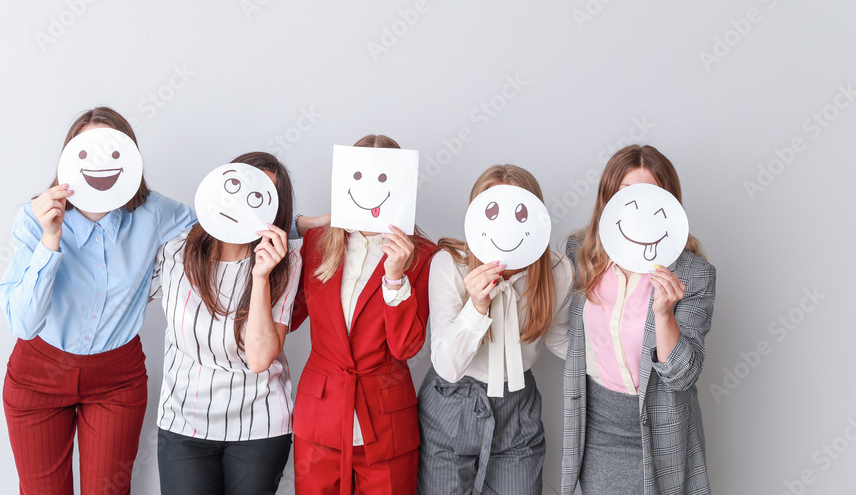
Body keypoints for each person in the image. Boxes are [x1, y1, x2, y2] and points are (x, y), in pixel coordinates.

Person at [0, 106, 197, 495]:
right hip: (38, 373)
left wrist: (292, 223)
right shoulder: (31, 219)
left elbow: (219, 227)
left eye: (113, 152)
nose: (100, 163)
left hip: (116, 378)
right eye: (86, 151)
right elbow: (23, 324)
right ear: (68, 159)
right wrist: (49, 238)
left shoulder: (154, 212)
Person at [562, 144, 716, 495]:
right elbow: (565, 333)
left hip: (662, 433)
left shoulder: (694, 273)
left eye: (651, 196)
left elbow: (683, 375)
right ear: (607, 200)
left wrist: (664, 314)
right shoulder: (580, 255)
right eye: (626, 195)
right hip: (596, 432)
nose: (639, 210)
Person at [290, 134, 437, 495]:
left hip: (387, 423)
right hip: (320, 418)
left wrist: (395, 276)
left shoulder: (423, 256)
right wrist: (299, 225)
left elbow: (405, 348)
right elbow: (288, 318)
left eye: (384, 177)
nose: (370, 186)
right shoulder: (317, 242)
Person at [418, 164, 573, 495]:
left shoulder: (558, 271)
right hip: (451, 400)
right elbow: (447, 367)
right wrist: (475, 307)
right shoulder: (449, 264)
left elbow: (559, 337)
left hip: (517, 405)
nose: (505, 226)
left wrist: (621, 360)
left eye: (519, 213)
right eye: (491, 211)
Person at [152, 152, 301, 495]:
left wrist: (261, 277)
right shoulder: (175, 251)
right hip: (183, 424)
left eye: (260, 199)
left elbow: (260, 358)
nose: (244, 207)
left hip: (258, 426)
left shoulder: (287, 261)